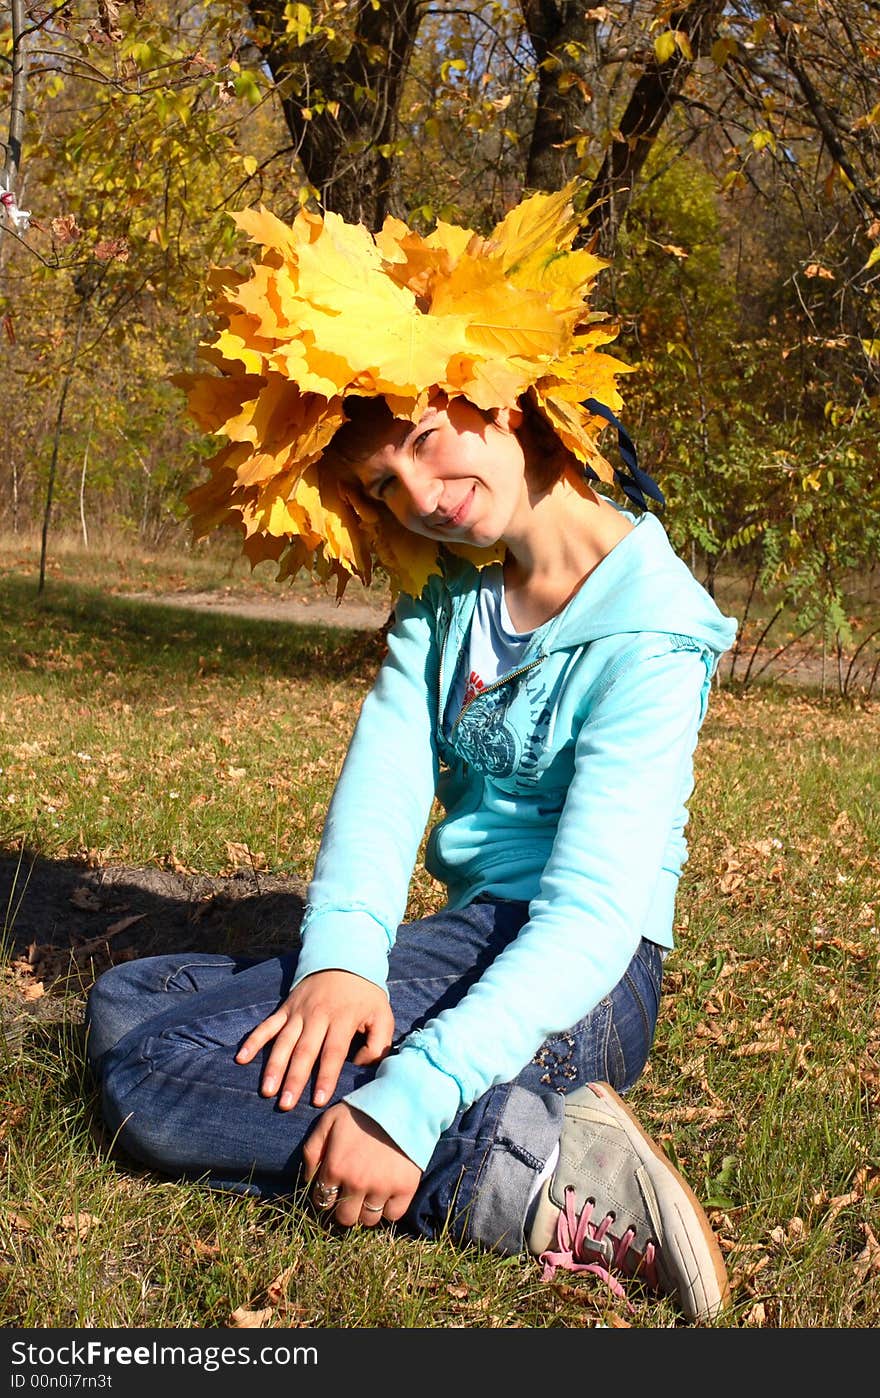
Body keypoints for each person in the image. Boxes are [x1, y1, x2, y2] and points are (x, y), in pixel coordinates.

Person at [85, 189, 739, 1324]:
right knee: (132, 1001)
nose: (426, 500)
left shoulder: (650, 629)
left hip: (582, 976)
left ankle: (518, 1168)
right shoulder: (448, 595)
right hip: (468, 932)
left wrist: (416, 1097)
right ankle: (481, 1105)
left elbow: (587, 915)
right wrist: (344, 954)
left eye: (430, 442)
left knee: (154, 1082)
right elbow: (384, 783)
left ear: (496, 384)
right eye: (386, 486)